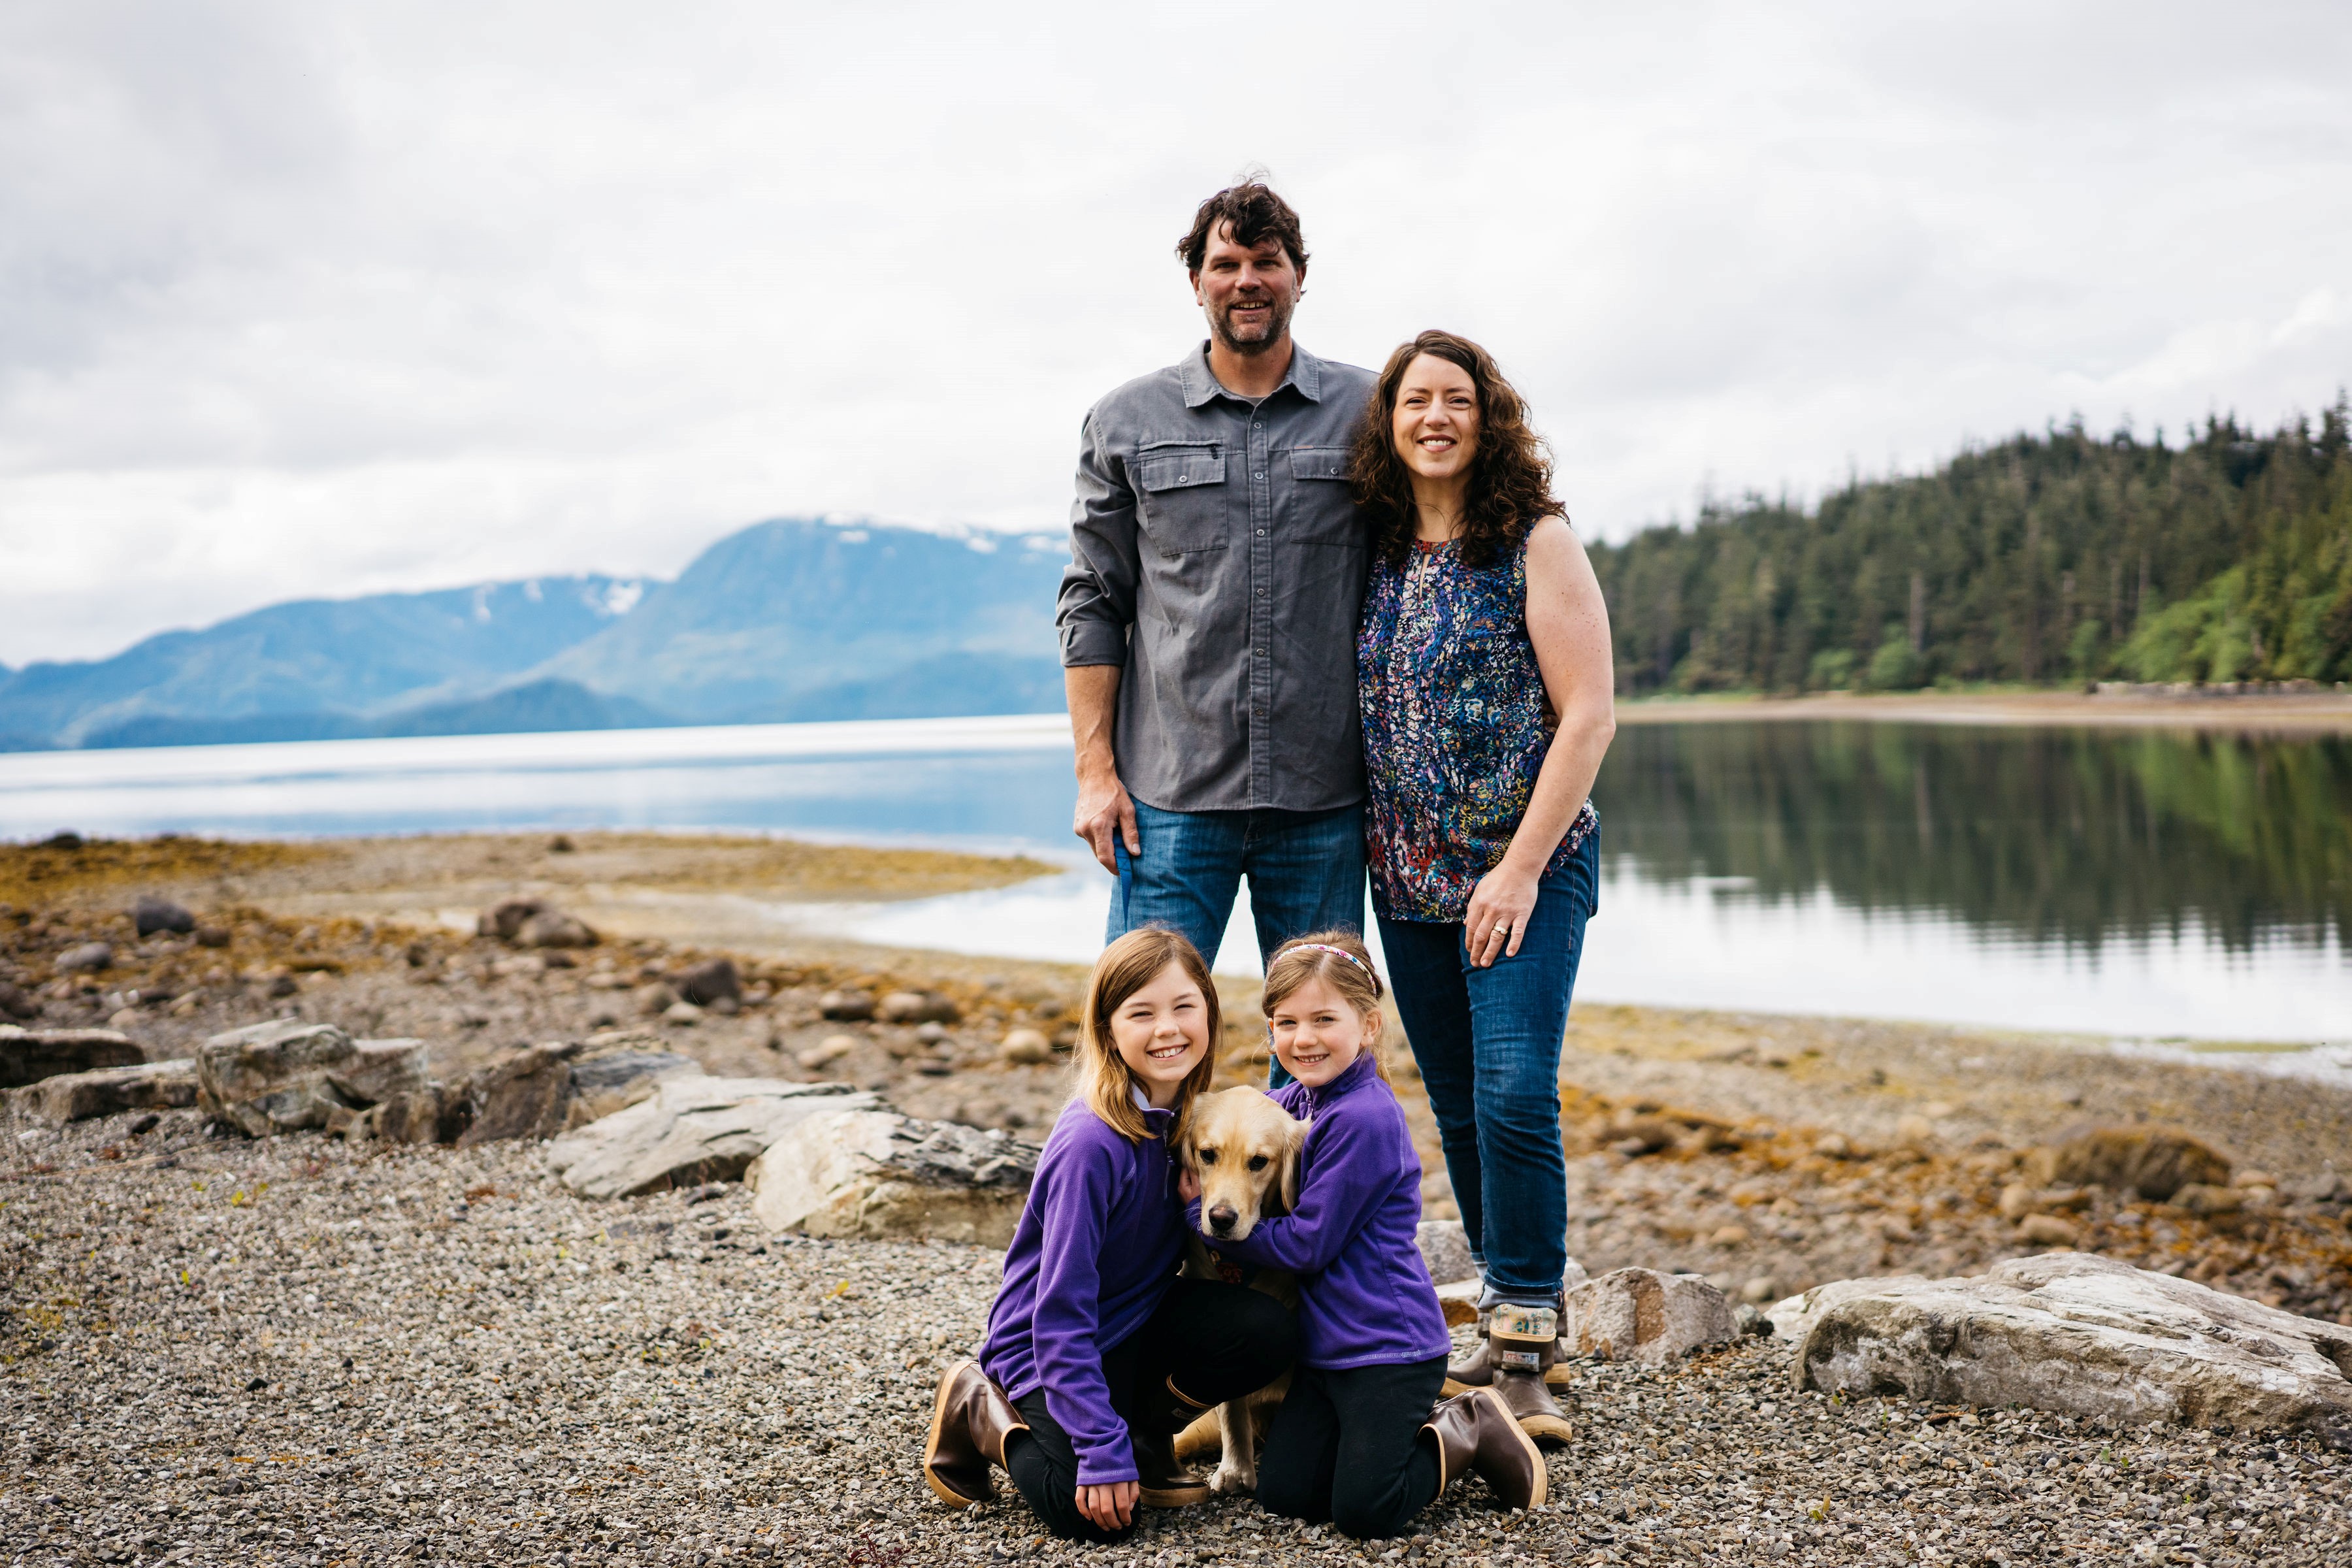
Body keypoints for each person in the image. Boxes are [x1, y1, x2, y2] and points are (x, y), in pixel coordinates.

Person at [1350, 330, 1617, 1442]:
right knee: (1456, 1104)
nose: (1435, 418)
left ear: (1487, 415)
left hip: (1526, 872)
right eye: (1415, 401)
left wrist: (1515, 869)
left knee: (1513, 1091)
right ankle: (1506, 1312)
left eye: (1456, 400)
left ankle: (1527, 1348)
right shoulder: (1372, 547)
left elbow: (1591, 710)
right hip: (1406, 882)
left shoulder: (1533, 539)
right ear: (1391, 421)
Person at [1056, 178, 1377, 997]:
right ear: (1195, 280)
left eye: (1266, 262)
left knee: (1322, 1046)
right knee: (1138, 1032)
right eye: (1225, 263)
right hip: (1168, 800)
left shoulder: (1370, 410)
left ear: (1300, 275)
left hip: (1323, 797)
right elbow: (1093, 599)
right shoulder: (1126, 419)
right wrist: (1096, 774)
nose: (1247, 281)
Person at [921, 928, 1295, 1544]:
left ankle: (1144, 1433)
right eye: (1141, 1013)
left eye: (1184, 1007)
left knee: (1265, 1331)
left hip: (1135, 1326)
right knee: (1094, 1517)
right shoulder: (1090, 1144)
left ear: (1210, 1012)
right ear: (1107, 1028)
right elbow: (1059, 1313)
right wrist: (1098, 1448)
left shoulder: (1194, 1120)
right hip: (1048, 1350)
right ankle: (977, 1407)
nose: (1167, 1029)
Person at [1180, 932, 1546, 1537]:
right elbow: (1242, 1119)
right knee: (1286, 1494)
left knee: (1365, 1511)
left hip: (1388, 1351)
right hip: (1324, 1356)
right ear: (1270, 1029)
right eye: (1286, 1021)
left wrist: (1205, 1229)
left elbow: (1306, 1245)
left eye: (1325, 1019)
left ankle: (1472, 1426)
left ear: (1369, 1026)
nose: (1304, 1038)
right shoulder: (1301, 1098)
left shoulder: (1365, 1118)